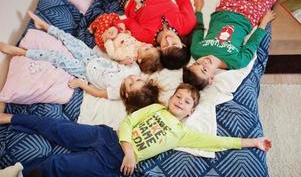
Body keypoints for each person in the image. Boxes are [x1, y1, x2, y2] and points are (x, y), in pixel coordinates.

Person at [0, 83, 272, 176]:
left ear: (190, 112)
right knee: (58, 127)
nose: (179, 101)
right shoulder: (156, 109)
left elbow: (217, 141)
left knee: (60, 164)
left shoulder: (183, 133)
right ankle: (11, 118)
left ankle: (19, 172)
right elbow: (128, 123)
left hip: (111, 163)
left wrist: (253, 142)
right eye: (177, 96)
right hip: (106, 136)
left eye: (186, 101)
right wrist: (129, 150)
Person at [0, 12, 160, 112]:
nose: (132, 79)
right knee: (70, 40)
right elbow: (138, 61)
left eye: (131, 84)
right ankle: (46, 26)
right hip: (92, 57)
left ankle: (22, 52)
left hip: (84, 71)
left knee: (57, 58)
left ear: (126, 93)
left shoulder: (116, 92)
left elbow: (97, 92)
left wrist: (81, 84)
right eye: (137, 80)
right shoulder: (133, 72)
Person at [183, 0, 296, 90]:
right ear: (211, 79)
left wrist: (198, 9)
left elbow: (198, 29)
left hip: (226, 7)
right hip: (250, 16)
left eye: (197, 64)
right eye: (205, 70)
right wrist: (264, 22)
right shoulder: (236, 62)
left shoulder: (196, 51)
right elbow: (253, 43)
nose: (204, 62)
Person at [115, 0, 196, 69]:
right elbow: (184, 3)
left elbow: (128, 22)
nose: (168, 39)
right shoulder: (187, 24)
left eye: (165, 46)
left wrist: (117, 26)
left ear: (159, 49)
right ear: (183, 45)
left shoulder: (146, 36)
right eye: (174, 44)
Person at [89, 13, 163, 73]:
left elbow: (113, 54)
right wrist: (127, 33)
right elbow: (131, 39)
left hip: (105, 39)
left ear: (140, 58)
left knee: (105, 18)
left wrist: (108, 40)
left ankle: (92, 27)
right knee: (115, 17)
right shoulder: (140, 46)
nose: (149, 45)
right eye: (152, 47)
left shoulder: (129, 55)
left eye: (147, 49)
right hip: (117, 33)